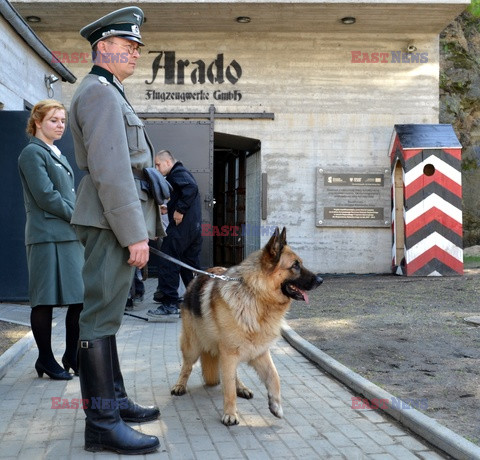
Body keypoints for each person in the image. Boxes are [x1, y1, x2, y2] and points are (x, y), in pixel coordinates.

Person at [69, 7, 163, 455]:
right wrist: (134, 234)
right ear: (102, 48)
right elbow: (111, 171)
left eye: (137, 48)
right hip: (111, 220)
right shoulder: (100, 93)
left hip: (110, 218)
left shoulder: (108, 91)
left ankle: (116, 402)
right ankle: (102, 423)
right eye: (127, 47)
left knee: (106, 316)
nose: (135, 54)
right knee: (99, 317)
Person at [17, 99, 83, 380]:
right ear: (38, 122)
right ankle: (45, 359)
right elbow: (46, 196)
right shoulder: (32, 153)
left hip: (67, 236)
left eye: (63, 121)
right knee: (43, 301)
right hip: (45, 237)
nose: (60, 125)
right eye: (54, 120)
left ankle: (72, 355)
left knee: (79, 299)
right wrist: (78, 215)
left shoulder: (56, 152)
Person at [147, 150, 202, 319]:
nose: (156, 168)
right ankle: (198, 304)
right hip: (192, 228)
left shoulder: (177, 172)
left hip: (182, 228)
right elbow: (184, 192)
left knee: (168, 259)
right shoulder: (179, 173)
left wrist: (179, 210)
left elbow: (191, 188)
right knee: (187, 265)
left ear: (168, 163)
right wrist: (169, 207)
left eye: (158, 164)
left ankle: (170, 304)